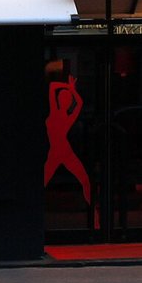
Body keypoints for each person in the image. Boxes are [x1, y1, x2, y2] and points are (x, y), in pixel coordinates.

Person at [43, 76, 92, 207]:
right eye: (64, 98)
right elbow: (52, 85)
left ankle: (94, 214)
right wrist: (68, 87)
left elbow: (80, 103)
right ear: (59, 100)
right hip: (55, 152)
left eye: (68, 99)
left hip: (65, 151)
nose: (66, 101)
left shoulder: (68, 117)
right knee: (43, 181)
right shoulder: (54, 111)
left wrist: (71, 90)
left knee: (85, 180)